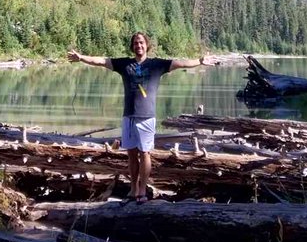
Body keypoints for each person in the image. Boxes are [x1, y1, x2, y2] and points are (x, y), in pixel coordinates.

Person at [67, 32, 214, 203]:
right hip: (128, 116)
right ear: (133, 46)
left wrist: (200, 61)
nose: (139, 46)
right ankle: (133, 188)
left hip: (146, 116)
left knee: (145, 153)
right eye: (136, 43)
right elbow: (101, 61)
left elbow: (180, 62)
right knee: (131, 154)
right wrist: (81, 57)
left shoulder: (157, 65)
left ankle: (142, 190)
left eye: (142, 43)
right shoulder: (124, 64)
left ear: (147, 45)